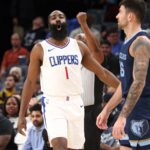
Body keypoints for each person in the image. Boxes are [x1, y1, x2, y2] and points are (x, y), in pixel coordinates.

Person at [18, 10, 120, 150]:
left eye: (61, 16)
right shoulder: (40, 48)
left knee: (75, 147)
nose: (58, 19)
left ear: (66, 22)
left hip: (76, 103)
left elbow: (102, 73)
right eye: (53, 17)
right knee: (60, 144)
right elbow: (29, 82)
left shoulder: (78, 46)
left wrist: (123, 87)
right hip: (54, 103)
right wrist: (22, 115)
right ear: (49, 24)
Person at [96, 0, 150, 150]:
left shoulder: (141, 42)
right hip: (130, 109)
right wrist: (107, 109)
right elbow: (126, 83)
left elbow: (139, 83)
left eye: (120, 12)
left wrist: (122, 116)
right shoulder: (128, 41)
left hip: (142, 110)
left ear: (130, 16)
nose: (117, 16)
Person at [76, 12, 104, 150]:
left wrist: (83, 24)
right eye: (77, 41)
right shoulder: (71, 64)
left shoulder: (95, 61)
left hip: (91, 112)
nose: (79, 43)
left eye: (84, 41)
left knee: (90, 146)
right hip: (74, 111)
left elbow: (95, 49)